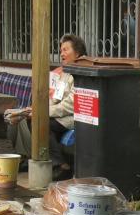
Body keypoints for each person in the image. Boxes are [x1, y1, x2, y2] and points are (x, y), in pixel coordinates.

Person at [6, 33, 87, 175]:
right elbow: (56, 98)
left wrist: (44, 112)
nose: (62, 54)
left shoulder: (82, 73)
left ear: (77, 52)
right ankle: (31, 157)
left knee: (41, 123)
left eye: (65, 50)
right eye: (61, 50)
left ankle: (61, 165)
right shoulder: (65, 72)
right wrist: (37, 109)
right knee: (26, 118)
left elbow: (71, 105)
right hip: (60, 114)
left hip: (73, 117)